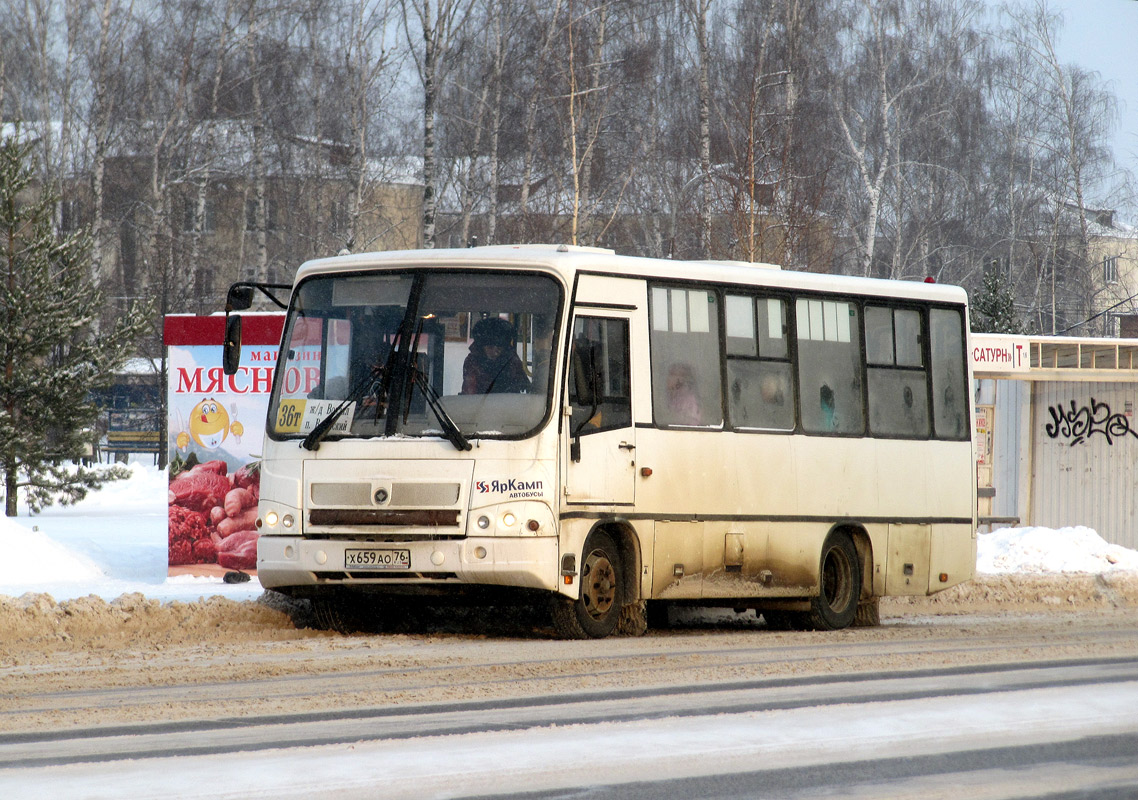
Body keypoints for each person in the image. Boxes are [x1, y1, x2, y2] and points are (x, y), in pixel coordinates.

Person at [462, 317, 530, 394]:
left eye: (499, 348)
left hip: (510, 404)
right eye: (490, 347)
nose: (495, 352)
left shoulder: (511, 360)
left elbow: (524, 384)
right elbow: (469, 392)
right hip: (480, 404)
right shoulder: (472, 362)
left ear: (504, 348)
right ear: (481, 347)